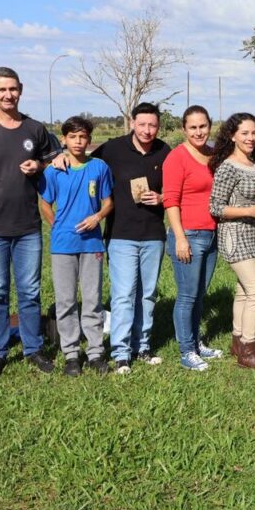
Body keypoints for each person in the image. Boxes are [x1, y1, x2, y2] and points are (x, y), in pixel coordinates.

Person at [0, 67, 57, 378]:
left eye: (13, 89)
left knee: (30, 292)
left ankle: (33, 349)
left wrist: (39, 165)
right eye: (1, 90)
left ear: (21, 89)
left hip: (28, 227)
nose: (8, 95)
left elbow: (54, 160)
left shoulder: (35, 129)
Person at [87, 102, 171, 374]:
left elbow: (174, 191)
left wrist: (161, 198)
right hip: (121, 235)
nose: (148, 130)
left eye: (153, 125)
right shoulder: (112, 149)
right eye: (143, 124)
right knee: (123, 295)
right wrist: (60, 157)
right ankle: (121, 352)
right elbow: (84, 163)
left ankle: (142, 346)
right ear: (132, 123)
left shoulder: (164, 151)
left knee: (147, 294)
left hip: (153, 235)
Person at [38, 117, 114, 377]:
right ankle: (71, 353)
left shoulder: (99, 167)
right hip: (62, 245)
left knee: (92, 299)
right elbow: (45, 203)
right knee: (66, 300)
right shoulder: (55, 170)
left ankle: (95, 351)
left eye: (83, 137)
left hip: (92, 244)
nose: (78, 141)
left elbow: (108, 202)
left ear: (89, 140)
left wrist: (97, 217)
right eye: (73, 137)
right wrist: (56, 225)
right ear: (64, 140)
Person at [209, 112, 255, 371]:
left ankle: (236, 341)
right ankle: (248, 350)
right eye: (245, 133)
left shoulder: (252, 163)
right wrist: (251, 211)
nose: (251, 138)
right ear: (232, 135)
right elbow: (215, 207)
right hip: (235, 236)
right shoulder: (227, 166)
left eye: (254, 133)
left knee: (244, 291)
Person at [163, 105, 222, 372]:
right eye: (193, 127)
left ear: (210, 126)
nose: (199, 132)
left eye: (203, 126)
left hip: (211, 234)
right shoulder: (177, 158)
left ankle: (197, 342)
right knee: (187, 295)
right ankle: (187, 350)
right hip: (188, 235)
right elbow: (171, 201)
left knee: (200, 295)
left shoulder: (213, 155)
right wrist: (180, 238)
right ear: (184, 129)